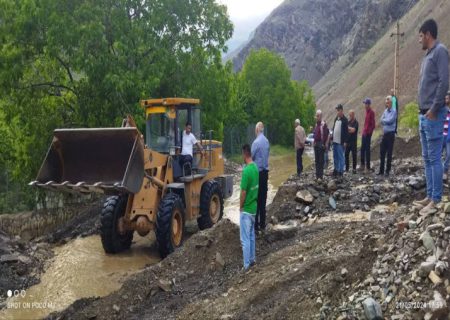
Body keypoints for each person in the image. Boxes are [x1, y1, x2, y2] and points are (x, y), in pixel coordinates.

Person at [414, 19, 449, 215]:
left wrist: (435, 108)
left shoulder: (440, 52)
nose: (419, 40)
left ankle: (436, 199)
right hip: (424, 115)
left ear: (427, 34)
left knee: (435, 158)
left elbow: (444, 81)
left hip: (433, 114)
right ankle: (429, 195)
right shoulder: (428, 55)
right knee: (427, 158)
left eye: (420, 36)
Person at [239, 144, 259, 271]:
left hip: (246, 210)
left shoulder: (246, 171)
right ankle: (252, 260)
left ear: (244, 154)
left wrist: (240, 207)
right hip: (253, 208)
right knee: (251, 236)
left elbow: (243, 192)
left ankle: (246, 266)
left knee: (245, 239)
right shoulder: (256, 168)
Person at [251, 122, 269, 232]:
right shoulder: (267, 141)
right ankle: (263, 225)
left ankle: (255, 227)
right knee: (263, 200)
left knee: (255, 200)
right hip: (265, 173)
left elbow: (251, 157)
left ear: (257, 129)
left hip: (257, 174)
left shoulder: (255, 142)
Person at [378, 96, 397, 176]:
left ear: (391, 103)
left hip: (391, 134)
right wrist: (384, 121)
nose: (387, 104)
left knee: (389, 153)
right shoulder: (385, 111)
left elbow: (390, 121)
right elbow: (380, 120)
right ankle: (381, 171)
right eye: (386, 103)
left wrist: (384, 121)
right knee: (382, 152)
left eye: (388, 102)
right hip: (385, 134)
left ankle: (387, 171)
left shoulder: (394, 111)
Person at [332, 104, 348, 177]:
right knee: (335, 156)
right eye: (337, 110)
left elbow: (346, 132)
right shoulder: (336, 118)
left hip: (340, 142)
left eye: (338, 110)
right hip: (335, 141)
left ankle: (340, 171)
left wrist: (345, 141)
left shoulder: (345, 120)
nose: (337, 112)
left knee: (341, 156)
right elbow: (333, 128)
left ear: (341, 110)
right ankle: (336, 169)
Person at [360, 98, 375, 172]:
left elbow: (373, 125)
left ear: (369, 104)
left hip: (367, 134)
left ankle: (368, 167)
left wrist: (369, 133)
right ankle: (362, 165)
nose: (365, 105)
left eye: (366, 104)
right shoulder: (366, 112)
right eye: (365, 104)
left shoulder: (371, 112)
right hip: (364, 133)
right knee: (362, 149)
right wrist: (364, 132)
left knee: (367, 150)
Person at [313, 110, 329, 179]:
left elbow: (326, 134)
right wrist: (314, 142)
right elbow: (315, 134)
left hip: (321, 144)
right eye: (316, 115)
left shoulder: (323, 124)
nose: (316, 117)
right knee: (316, 161)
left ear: (321, 116)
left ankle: (320, 176)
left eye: (317, 116)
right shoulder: (316, 124)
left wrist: (324, 144)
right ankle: (317, 176)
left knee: (320, 161)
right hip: (316, 144)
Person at [443, 93, 450, 180]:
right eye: (445, 98)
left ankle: (445, 170)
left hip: (448, 137)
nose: (446, 100)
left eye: (448, 98)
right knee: (438, 155)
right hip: (440, 136)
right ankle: (439, 172)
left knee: (448, 154)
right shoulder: (442, 110)